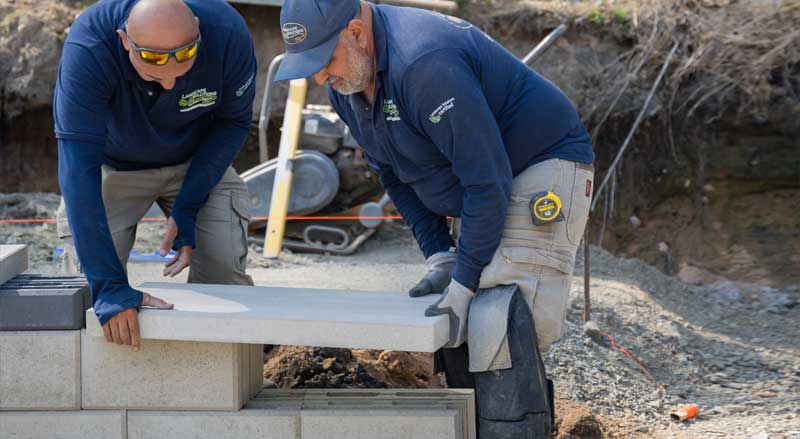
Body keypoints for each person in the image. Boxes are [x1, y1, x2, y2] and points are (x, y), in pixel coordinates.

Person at [274, 0, 595, 436]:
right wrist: (440, 254)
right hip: (484, 181)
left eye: (324, 60)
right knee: (459, 315)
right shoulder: (348, 83)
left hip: (540, 164)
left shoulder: (424, 64)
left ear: (355, 31)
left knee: (498, 313)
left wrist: (465, 282)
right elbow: (393, 171)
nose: (319, 76)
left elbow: (487, 180)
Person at [54, 0, 257, 351]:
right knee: (91, 288)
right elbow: (77, 165)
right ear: (124, 41)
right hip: (113, 168)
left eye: (182, 70)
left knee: (225, 269)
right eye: (154, 71)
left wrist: (189, 205)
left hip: (197, 162)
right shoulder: (89, 46)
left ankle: (218, 375)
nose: (169, 82)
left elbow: (233, 122)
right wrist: (111, 287)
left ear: (197, 28)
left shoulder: (227, 32)